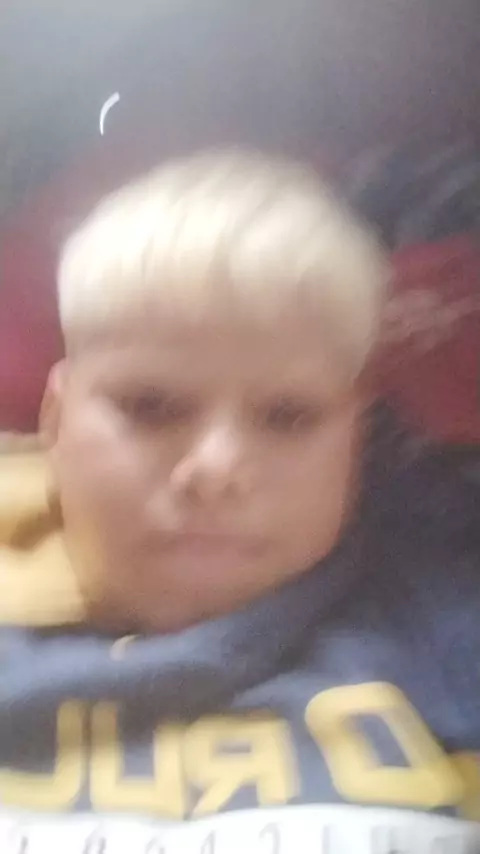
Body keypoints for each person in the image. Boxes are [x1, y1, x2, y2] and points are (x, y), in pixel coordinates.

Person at [1, 150, 479, 853]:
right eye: (150, 405)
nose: (216, 470)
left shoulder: (445, 632)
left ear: (357, 437)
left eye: (288, 416)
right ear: (55, 419)